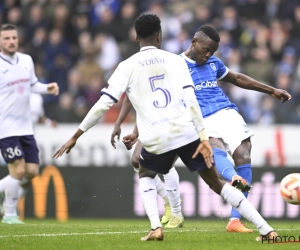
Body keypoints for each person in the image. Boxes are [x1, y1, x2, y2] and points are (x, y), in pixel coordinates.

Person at [53, 14, 277, 242]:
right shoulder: (175, 60)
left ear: (135, 36)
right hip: (186, 132)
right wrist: (203, 138)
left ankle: (155, 226)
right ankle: (266, 229)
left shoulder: (126, 66)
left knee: (144, 172)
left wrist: (76, 135)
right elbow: (190, 100)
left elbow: (104, 104)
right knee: (218, 185)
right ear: (159, 36)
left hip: (157, 135)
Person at [180, 25, 291, 233]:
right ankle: (233, 178)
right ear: (194, 42)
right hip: (201, 116)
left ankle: (234, 220)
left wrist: (272, 90)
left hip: (226, 111)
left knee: (244, 152)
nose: (208, 54)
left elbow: (237, 78)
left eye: (212, 51)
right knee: (214, 147)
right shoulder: (176, 65)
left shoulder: (213, 62)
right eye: (206, 49)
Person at [0, 24, 59, 224]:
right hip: (6, 128)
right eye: (6, 38)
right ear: (0, 41)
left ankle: (3, 191)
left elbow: (32, 84)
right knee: (17, 171)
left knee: (32, 171)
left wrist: (47, 88)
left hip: (26, 127)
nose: (11, 41)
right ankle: (9, 215)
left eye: (14, 38)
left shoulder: (26, 60)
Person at [111, 106, 182, 228]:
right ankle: (168, 200)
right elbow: (141, 105)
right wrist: (135, 132)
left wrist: (119, 124)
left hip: (171, 119)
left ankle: (176, 213)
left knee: (167, 163)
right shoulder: (141, 90)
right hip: (151, 123)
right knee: (136, 160)